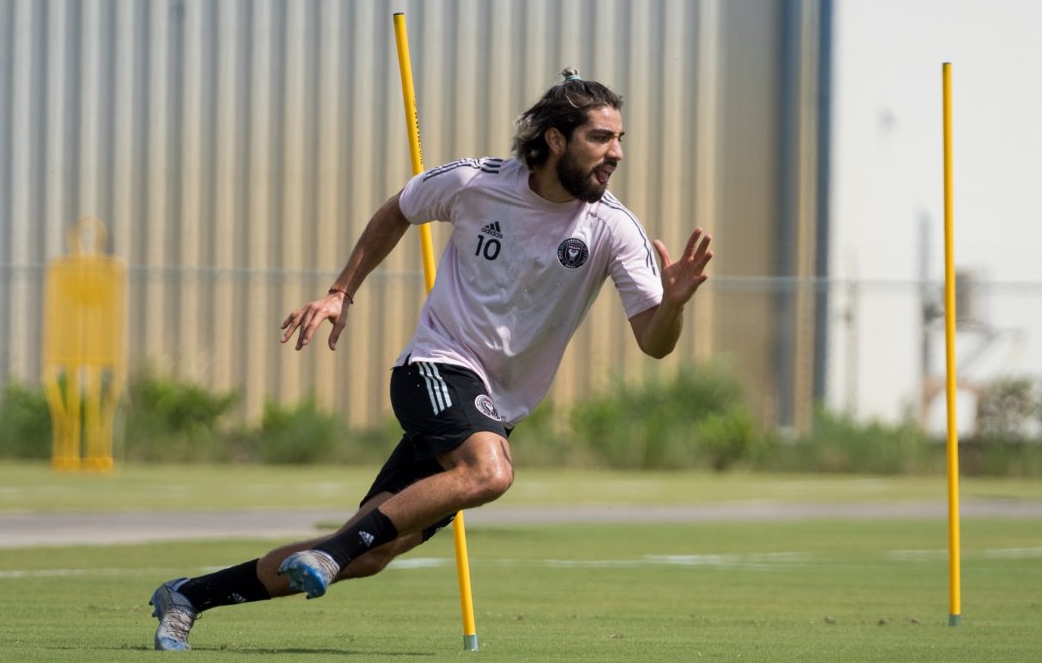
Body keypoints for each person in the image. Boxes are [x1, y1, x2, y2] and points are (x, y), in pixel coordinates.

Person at [148, 68, 714, 651]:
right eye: (601, 137)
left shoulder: (615, 228)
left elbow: (654, 340)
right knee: (491, 473)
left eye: (620, 140)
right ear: (555, 139)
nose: (615, 153)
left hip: (495, 405)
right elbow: (399, 209)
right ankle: (332, 551)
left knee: (370, 555)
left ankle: (190, 595)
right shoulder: (476, 181)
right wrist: (342, 291)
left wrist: (671, 305)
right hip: (435, 366)